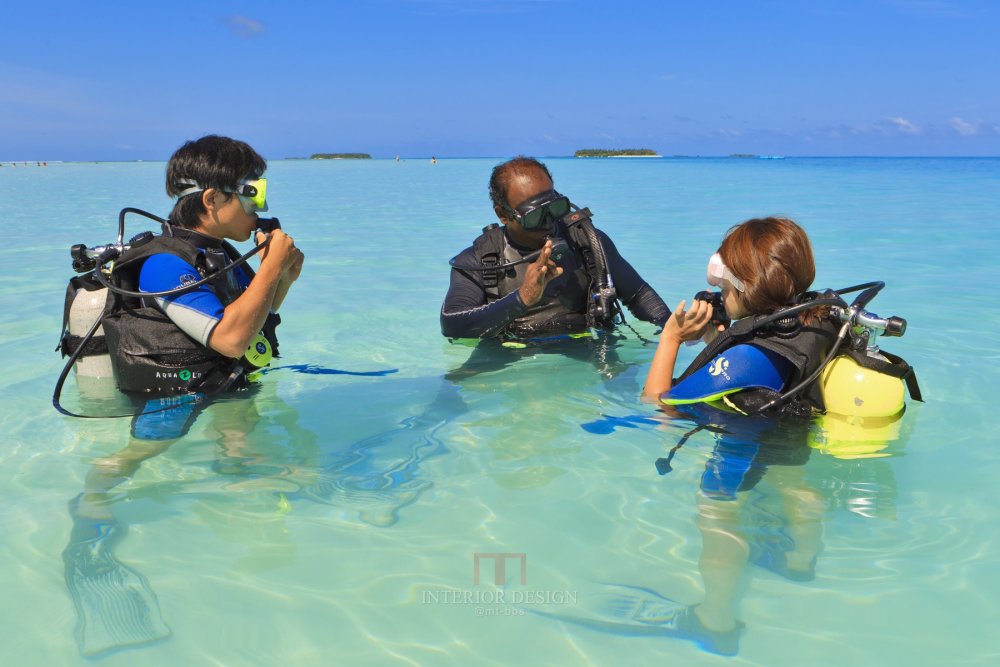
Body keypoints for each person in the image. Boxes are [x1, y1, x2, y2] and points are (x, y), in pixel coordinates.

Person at [63, 135, 304, 656]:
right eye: (250, 192)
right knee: (140, 453)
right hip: (174, 391)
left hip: (222, 383)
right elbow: (231, 337)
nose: (259, 204)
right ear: (213, 200)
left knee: (242, 440)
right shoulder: (164, 265)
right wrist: (267, 269)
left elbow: (254, 316)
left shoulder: (218, 254)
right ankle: (90, 507)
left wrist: (278, 275)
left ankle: (242, 497)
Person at [441, 156, 669, 342]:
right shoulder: (482, 261)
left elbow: (639, 294)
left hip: (587, 352)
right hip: (510, 363)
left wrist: (673, 329)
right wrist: (522, 298)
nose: (549, 222)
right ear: (503, 215)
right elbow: (452, 323)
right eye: (534, 217)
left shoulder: (587, 242)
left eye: (555, 208)